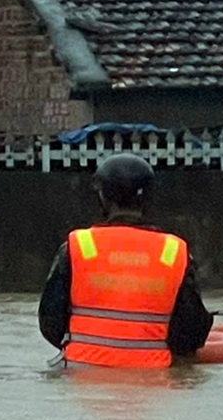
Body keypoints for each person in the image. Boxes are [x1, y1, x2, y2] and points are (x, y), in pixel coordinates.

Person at [38, 153, 213, 367]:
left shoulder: (78, 246)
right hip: (153, 377)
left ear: (103, 197)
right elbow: (192, 332)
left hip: (81, 371)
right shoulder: (173, 252)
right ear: (148, 198)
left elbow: (50, 321)